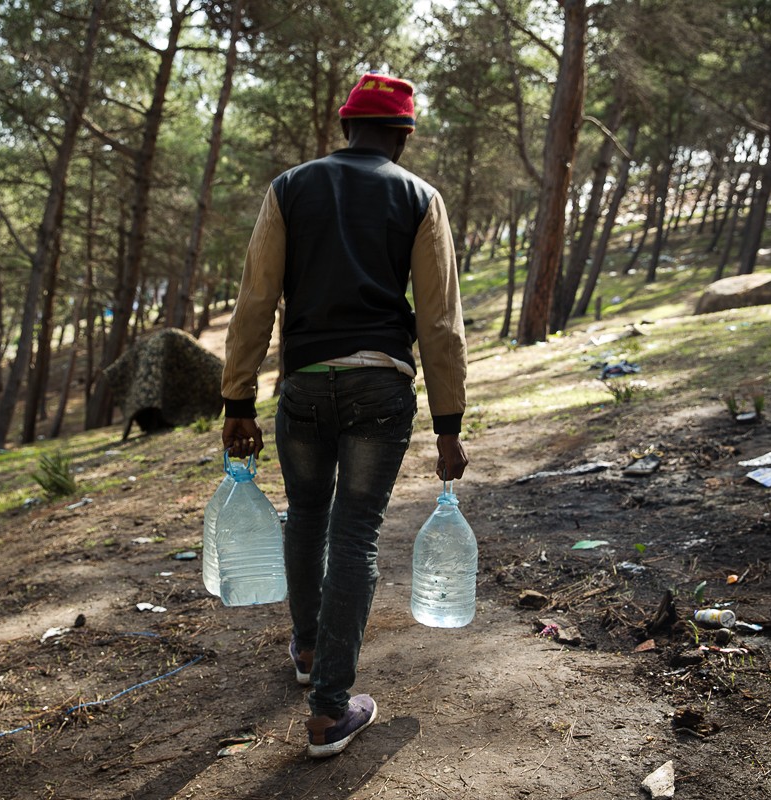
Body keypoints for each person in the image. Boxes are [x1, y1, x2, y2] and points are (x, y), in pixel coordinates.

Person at [220, 72, 468, 758]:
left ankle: (306, 651)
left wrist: (237, 398)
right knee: (354, 536)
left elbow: (255, 300)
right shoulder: (419, 198)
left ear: (345, 126)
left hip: (302, 387)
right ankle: (329, 710)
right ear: (402, 135)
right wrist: (449, 423)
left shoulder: (289, 188)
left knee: (305, 516)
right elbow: (440, 321)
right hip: (380, 387)